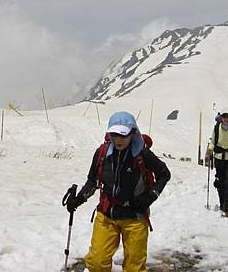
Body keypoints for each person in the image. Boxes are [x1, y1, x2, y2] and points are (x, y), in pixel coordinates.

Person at [65, 111, 171, 272]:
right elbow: (93, 181)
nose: (118, 139)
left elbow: (164, 174)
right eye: (114, 134)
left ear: (132, 133)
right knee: (97, 262)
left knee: (134, 267)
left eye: (123, 135)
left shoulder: (142, 154)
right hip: (107, 215)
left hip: (135, 217)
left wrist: (149, 197)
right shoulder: (102, 153)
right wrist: (78, 200)